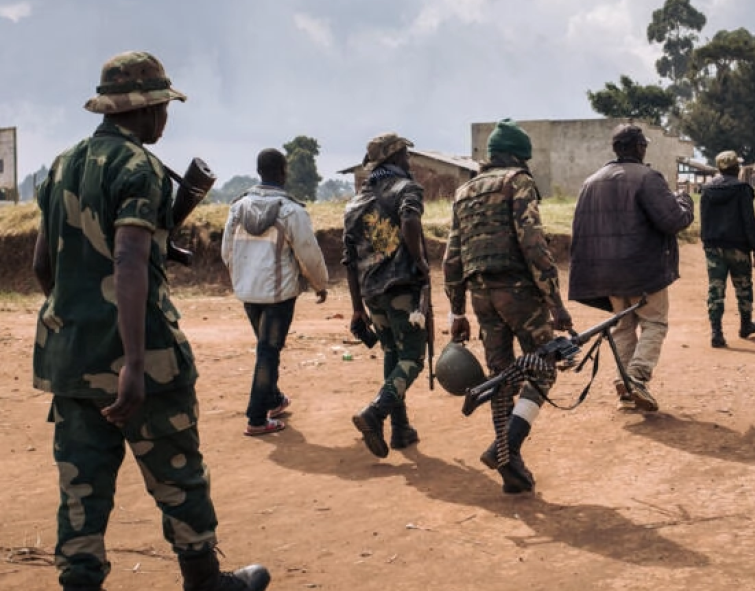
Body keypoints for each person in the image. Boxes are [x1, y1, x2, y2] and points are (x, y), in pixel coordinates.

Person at [31, 51, 270, 591]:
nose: (166, 117)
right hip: (143, 360)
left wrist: (79, 311)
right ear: (145, 108)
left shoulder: (63, 164)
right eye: (163, 105)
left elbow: (45, 266)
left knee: (81, 494)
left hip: (70, 358)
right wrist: (133, 362)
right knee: (179, 474)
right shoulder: (138, 167)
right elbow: (130, 254)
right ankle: (205, 589)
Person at [444, 118, 573, 494]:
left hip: (480, 295)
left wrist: (457, 311)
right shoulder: (517, 182)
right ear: (520, 156)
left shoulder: (464, 191)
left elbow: (452, 257)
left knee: (501, 376)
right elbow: (533, 245)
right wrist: (556, 304)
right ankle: (509, 445)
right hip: (518, 292)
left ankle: (510, 465)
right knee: (545, 365)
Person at [569, 123, 694, 411]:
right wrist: (685, 200)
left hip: (606, 273)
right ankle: (636, 376)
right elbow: (673, 220)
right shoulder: (647, 177)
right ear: (639, 147)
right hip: (643, 270)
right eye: (644, 145)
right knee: (655, 322)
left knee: (623, 327)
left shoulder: (591, 182)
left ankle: (625, 390)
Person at [221, 148, 330, 436]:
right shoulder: (291, 211)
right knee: (268, 352)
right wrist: (320, 284)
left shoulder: (237, 208)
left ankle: (274, 398)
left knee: (265, 350)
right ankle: (257, 418)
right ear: (283, 171)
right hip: (279, 296)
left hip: (248, 292)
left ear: (259, 171)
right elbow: (308, 254)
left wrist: (242, 278)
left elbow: (226, 252)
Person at [343, 133, 430, 459]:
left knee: (392, 353)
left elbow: (349, 261)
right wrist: (420, 262)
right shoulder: (406, 189)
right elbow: (409, 219)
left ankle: (400, 428)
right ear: (396, 157)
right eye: (406, 154)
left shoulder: (354, 204)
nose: (409, 161)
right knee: (412, 358)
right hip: (401, 289)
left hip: (371, 294)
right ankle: (376, 413)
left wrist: (356, 308)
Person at [699, 150, 755, 348]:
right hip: (738, 246)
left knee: (715, 289)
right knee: (743, 286)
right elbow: (749, 221)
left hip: (713, 246)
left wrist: (707, 243)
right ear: (737, 168)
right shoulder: (742, 189)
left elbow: (704, 220)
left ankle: (716, 332)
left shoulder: (707, 190)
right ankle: (745, 325)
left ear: (719, 168)